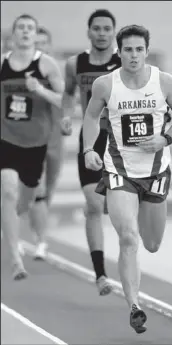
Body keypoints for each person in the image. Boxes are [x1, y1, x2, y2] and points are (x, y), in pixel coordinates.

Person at [83, 25, 172, 333]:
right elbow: (91, 117)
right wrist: (89, 149)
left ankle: (136, 289)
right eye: (127, 49)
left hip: (156, 172)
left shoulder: (164, 82)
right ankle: (135, 305)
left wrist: (165, 140)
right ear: (119, 52)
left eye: (138, 49)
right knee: (128, 237)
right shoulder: (106, 85)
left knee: (153, 243)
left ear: (147, 50)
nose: (133, 55)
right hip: (120, 171)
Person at [62, 9, 121, 296]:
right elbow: (68, 94)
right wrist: (65, 115)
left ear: (113, 32)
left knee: (118, 210)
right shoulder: (75, 63)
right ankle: (100, 274)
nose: (101, 33)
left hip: (121, 143)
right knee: (94, 205)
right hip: (90, 141)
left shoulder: (125, 63)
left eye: (107, 28)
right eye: (96, 28)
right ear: (88, 32)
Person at [1, 14, 64, 280]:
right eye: (21, 28)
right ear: (13, 34)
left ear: (35, 34)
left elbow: (62, 100)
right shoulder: (2, 63)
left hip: (36, 142)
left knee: (26, 198)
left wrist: (38, 89)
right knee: (7, 188)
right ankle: (16, 257)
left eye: (30, 28)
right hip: (6, 139)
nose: (26, 32)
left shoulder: (46, 64)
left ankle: (27, 230)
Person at [18, 26, 65, 259]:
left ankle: (36, 234)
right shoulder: (20, 73)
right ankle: (40, 242)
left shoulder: (56, 73)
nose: (41, 47)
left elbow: (66, 103)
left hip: (55, 143)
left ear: (50, 46)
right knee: (39, 191)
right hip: (29, 142)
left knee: (48, 193)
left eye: (44, 43)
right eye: (36, 43)